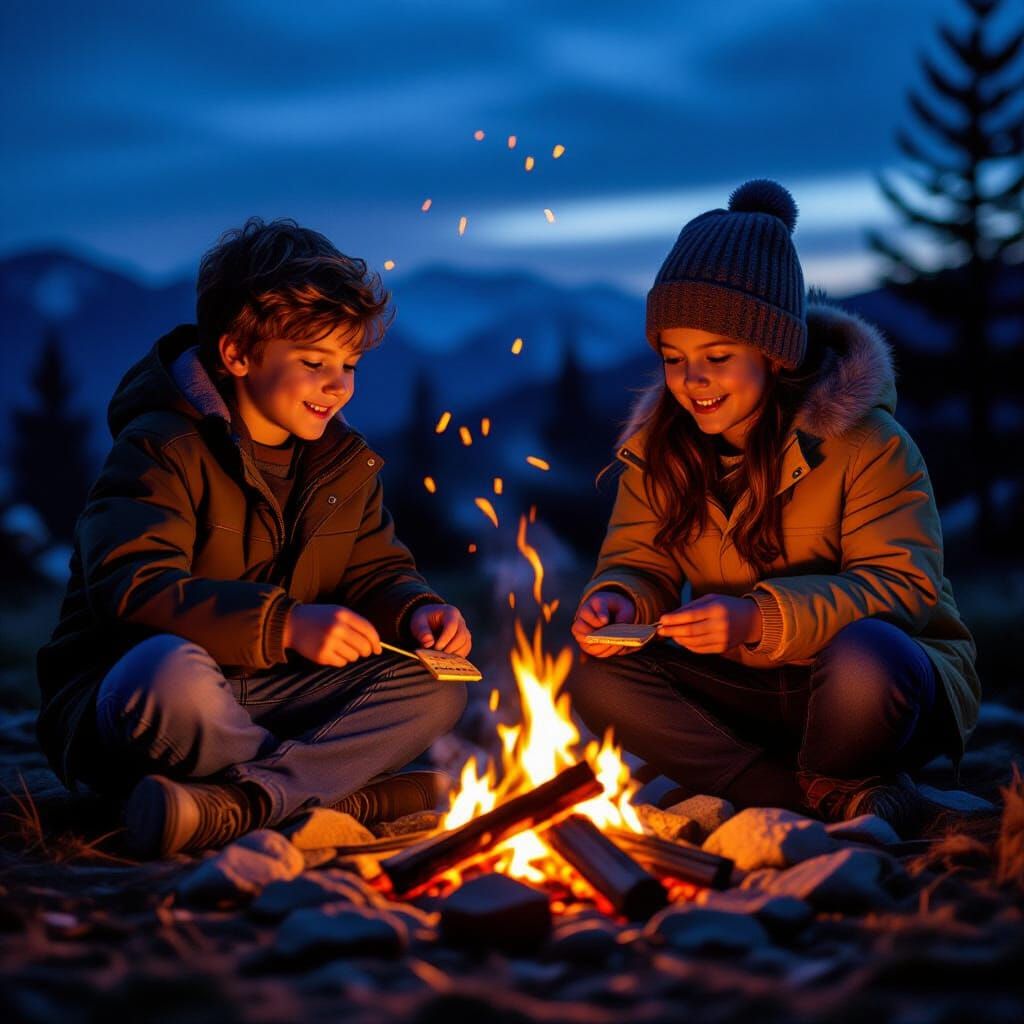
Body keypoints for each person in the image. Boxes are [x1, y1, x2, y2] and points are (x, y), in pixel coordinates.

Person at [36, 218, 472, 858]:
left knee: (441, 684)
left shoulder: (342, 466)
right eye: (314, 362)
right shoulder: (162, 447)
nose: (338, 385)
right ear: (237, 354)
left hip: (273, 695)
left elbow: (375, 570)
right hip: (146, 695)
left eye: (348, 364)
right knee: (167, 673)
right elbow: (129, 586)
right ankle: (338, 797)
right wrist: (286, 626)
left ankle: (236, 805)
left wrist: (416, 610)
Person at [567, 180, 984, 837]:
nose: (692, 380)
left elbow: (904, 589)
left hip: (870, 686)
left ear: (774, 351)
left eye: (718, 358)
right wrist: (621, 596)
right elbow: (637, 560)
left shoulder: (867, 444)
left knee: (868, 659)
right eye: (674, 359)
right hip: (750, 686)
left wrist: (758, 618)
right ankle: (821, 799)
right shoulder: (659, 454)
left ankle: (837, 779)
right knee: (599, 680)